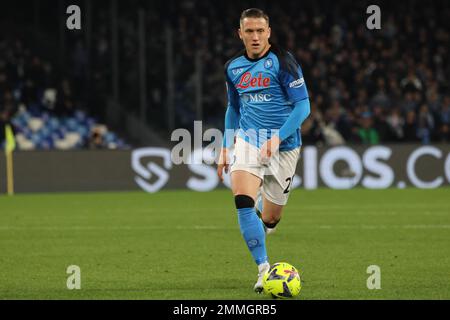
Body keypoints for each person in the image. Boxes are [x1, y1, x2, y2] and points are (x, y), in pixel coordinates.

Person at [216, 8, 311, 293]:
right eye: (249, 31)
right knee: (242, 200)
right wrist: (225, 145)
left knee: (271, 218)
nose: (255, 36)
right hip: (248, 139)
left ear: (268, 32)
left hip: (285, 146)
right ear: (240, 33)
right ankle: (263, 269)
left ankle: (262, 220)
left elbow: (303, 106)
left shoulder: (283, 62)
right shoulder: (233, 67)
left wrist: (277, 138)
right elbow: (234, 107)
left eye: (260, 31)